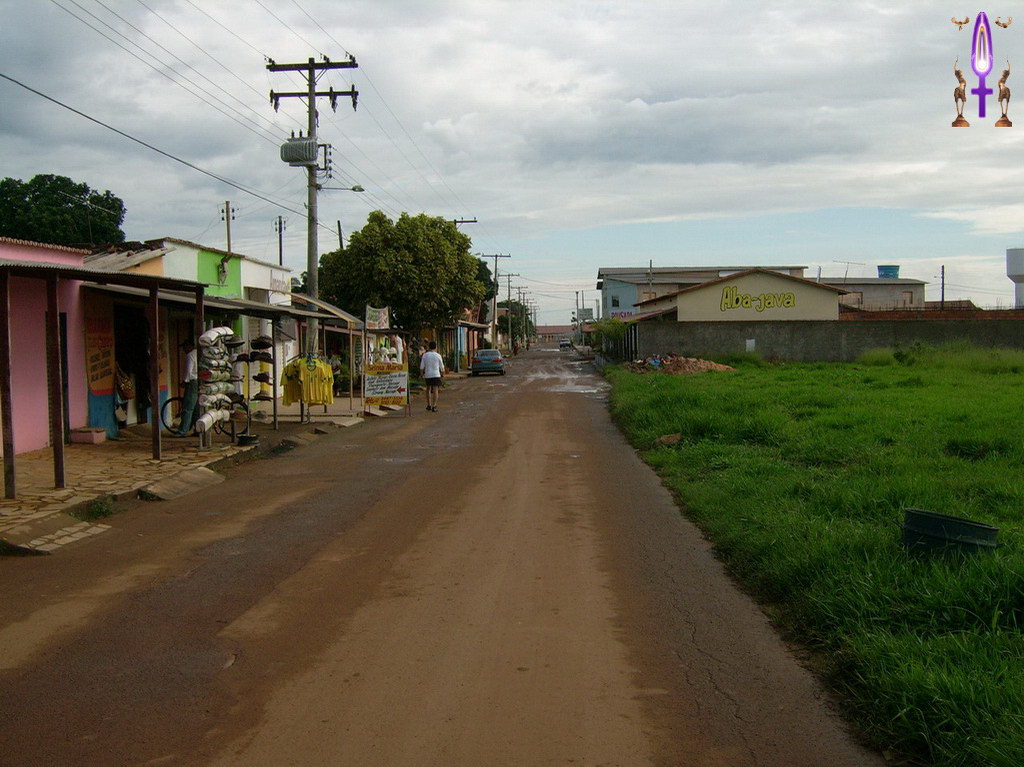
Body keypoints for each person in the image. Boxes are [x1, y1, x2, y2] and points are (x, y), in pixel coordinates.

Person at [175, 339, 199, 435]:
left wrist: (184, 382)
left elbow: (188, 371)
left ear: (188, 346)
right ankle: (198, 430)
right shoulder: (198, 353)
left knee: (188, 407)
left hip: (192, 382)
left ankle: (182, 430)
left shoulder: (190, 355)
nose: (184, 350)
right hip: (199, 382)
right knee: (197, 408)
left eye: (184, 347)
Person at [419, 340, 445, 412]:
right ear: (435, 347)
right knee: (435, 390)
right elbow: (442, 367)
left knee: (428, 389)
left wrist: (421, 375)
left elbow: (421, 367)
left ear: (429, 347)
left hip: (428, 374)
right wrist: (443, 374)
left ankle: (429, 405)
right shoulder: (438, 355)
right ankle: (434, 406)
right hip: (436, 374)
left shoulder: (425, 355)